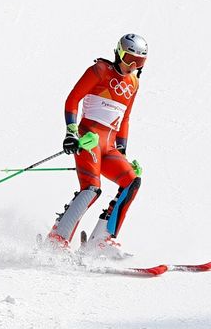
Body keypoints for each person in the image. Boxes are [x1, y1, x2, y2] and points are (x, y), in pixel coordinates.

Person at [45, 34, 148, 259]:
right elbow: (72, 99)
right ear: (119, 52)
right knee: (91, 188)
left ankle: (101, 240)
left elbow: (125, 118)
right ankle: (57, 239)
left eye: (139, 63)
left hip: (109, 147)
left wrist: (122, 150)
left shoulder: (133, 83)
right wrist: (71, 132)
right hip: (88, 139)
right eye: (129, 59)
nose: (132, 66)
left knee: (132, 181)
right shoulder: (100, 71)